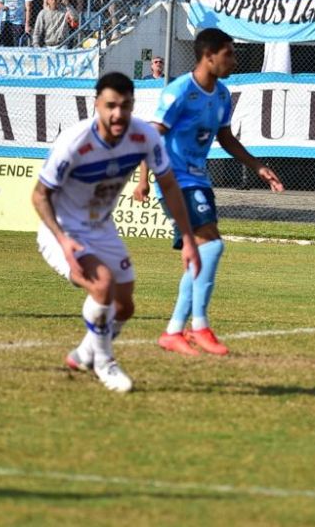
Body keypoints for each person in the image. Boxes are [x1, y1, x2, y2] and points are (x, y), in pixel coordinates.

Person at [33, 72, 200, 392]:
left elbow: (169, 184)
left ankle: (84, 352)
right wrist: (64, 241)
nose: (117, 113)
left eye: (125, 106)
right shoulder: (74, 141)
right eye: (110, 105)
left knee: (125, 307)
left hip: (101, 227)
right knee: (102, 286)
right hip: (63, 229)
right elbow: (40, 195)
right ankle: (104, 363)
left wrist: (189, 239)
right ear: (96, 104)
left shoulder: (144, 137)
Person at [136, 28, 284, 357]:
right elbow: (151, 135)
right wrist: (144, 178)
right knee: (212, 246)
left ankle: (174, 330)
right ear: (208, 56)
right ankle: (198, 325)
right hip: (174, 181)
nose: (234, 59)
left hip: (199, 181)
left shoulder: (221, 95)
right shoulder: (179, 92)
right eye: (229, 53)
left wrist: (258, 166)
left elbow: (226, 139)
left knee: (203, 253)